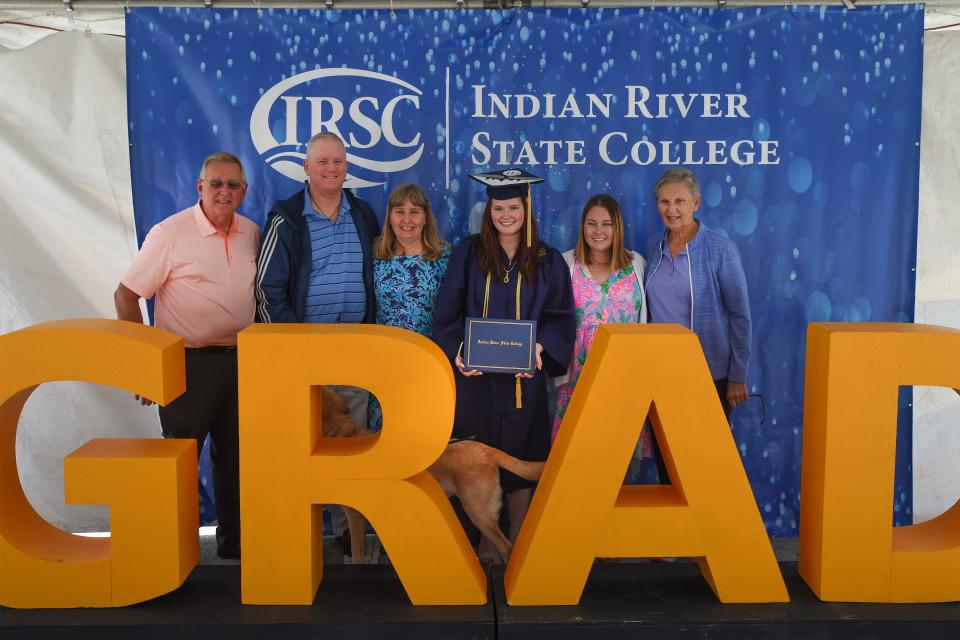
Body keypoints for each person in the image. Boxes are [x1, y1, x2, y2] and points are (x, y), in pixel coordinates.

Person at [114, 151, 259, 559]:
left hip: (242, 362)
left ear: (244, 191)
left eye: (233, 185)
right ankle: (168, 547)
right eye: (216, 183)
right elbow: (126, 295)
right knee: (178, 457)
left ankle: (235, 542)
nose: (224, 192)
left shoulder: (252, 232)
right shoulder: (169, 234)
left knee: (236, 457)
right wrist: (142, 364)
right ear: (200, 187)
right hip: (187, 363)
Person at [432, 169, 575, 551]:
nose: (506, 215)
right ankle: (478, 546)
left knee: (522, 457)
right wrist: (458, 351)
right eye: (499, 207)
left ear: (526, 209)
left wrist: (541, 346)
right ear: (489, 210)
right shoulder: (469, 252)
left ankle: (518, 544)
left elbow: (561, 317)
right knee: (470, 461)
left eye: (513, 207)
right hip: (474, 383)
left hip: (522, 386)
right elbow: (447, 311)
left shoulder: (547, 259)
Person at [255, 131, 381, 554]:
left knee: (353, 445)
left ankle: (350, 532)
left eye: (338, 162)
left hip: (356, 350)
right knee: (303, 445)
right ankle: (302, 536)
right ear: (306, 168)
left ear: (347, 167)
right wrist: (295, 351)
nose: (331, 169)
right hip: (306, 354)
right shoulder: (287, 218)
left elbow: (376, 279)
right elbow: (266, 288)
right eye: (323, 162)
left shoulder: (363, 214)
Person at [552, 194, 653, 473]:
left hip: (623, 382)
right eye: (591, 224)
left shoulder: (636, 265)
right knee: (577, 466)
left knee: (619, 469)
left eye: (606, 224)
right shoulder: (566, 264)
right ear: (582, 227)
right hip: (578, 379)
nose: (598, 231)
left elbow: (645, 321)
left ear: (617, 228)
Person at [644, 167, 751, 418]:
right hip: (660, 371)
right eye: (664, 202)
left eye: (680, 201)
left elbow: (740, 317)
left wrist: (738, 376)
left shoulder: (721, 250)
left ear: (696, 202)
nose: (671, 210)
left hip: (709, 373)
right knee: (665, 452)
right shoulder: (652, 247)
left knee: (705, 455)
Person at [368, 183, 451, 432]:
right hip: (385, 363)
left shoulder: (445, 257)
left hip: (429, 363)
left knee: (423, 432)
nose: (407, 219)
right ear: (389, 218)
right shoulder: (375, 255)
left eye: (414, 211)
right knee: (384, 435)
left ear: (426, 217)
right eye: (399, 211)